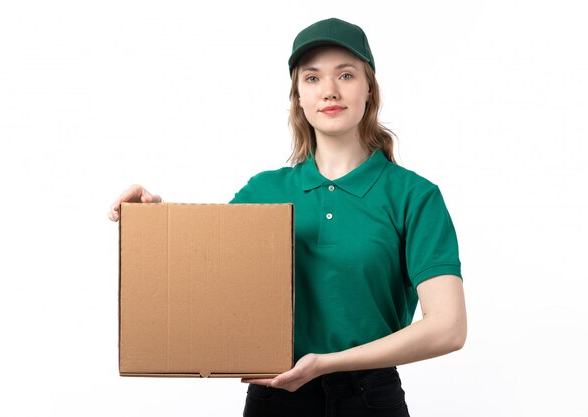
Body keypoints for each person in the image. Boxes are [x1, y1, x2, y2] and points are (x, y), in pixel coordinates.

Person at [108, 17, 466, 417]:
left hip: (370, 398)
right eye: (312, 79)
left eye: (345, 75)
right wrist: (154, 220)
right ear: (297, 96)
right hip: (276, 399)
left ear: (369, 87)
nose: (329, 90)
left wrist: (326, 364)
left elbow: (448, 328)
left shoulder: (413, 196)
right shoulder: (264, 191)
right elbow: (203, 275)